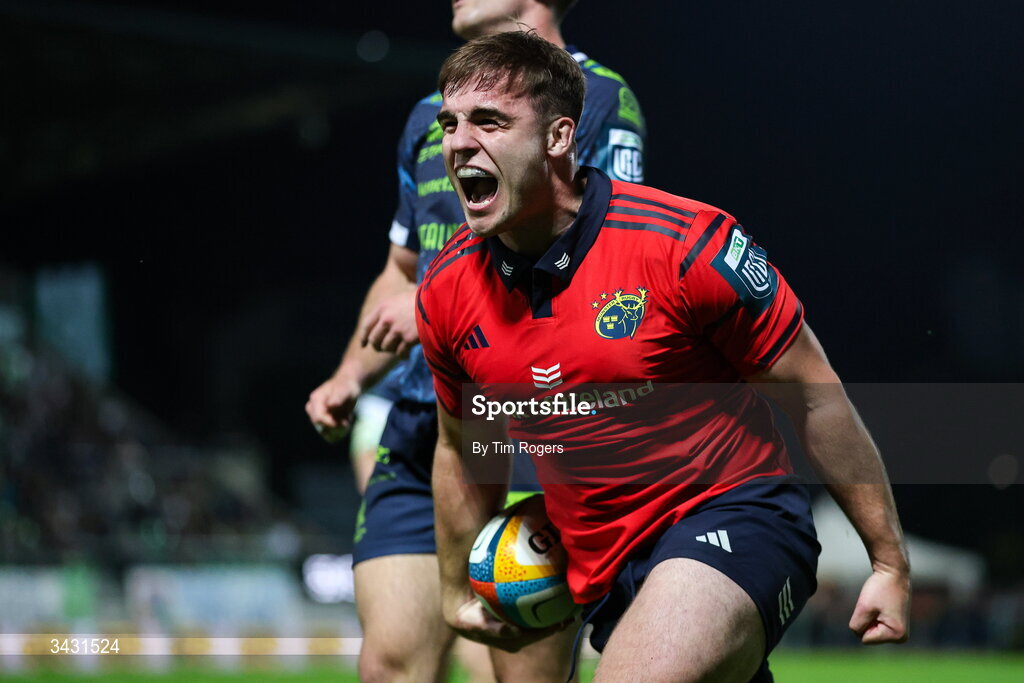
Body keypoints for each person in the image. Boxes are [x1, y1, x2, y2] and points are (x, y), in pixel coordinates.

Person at [416, 30, 911, 681]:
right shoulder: (448, 291)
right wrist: (456, 586)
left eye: (489, 120)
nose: (458, 142)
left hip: (736, 515)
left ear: (559, 136)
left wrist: (887, 562)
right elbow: (469, 448)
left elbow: (814, 394)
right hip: (594, 568)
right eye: (450, 123)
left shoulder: (684, 245)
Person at [305, 2, 647, 680]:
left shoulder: (600, 97)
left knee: (520, 669)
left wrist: (442, 303)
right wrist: (349, 375)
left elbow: (613, 255)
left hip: (528, 424)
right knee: (390, 662)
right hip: (419, 419)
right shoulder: (429, 115)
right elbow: (401, 269)